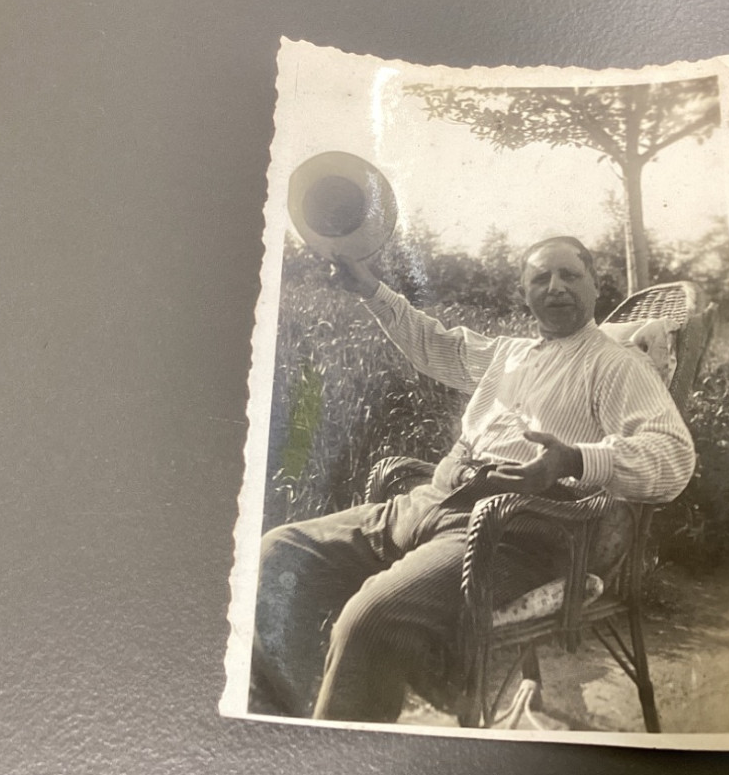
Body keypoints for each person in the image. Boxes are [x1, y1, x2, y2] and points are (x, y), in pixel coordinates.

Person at [251, 236, 696, 723]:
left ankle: (339, 758)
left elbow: (673, 456)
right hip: (431, 500)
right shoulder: (509, 353)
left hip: (514, 530)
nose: (556, 287)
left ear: (593, 284)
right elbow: (436, 345)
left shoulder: (616, 364)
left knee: (370, 620)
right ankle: (290, 722)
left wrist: (573, 460)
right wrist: (371, 289)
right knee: (279, 553)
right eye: (540, 278)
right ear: (524, 293)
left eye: (570, 275)